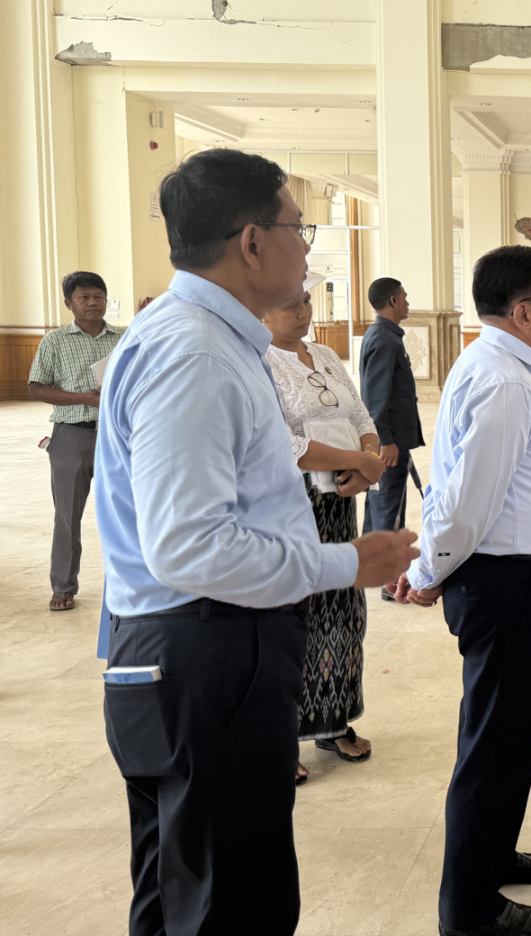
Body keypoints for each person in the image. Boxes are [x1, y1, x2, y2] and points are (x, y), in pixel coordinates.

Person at [93, 148, 418, 936]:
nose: (306, 248)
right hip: (207, 648)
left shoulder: (211, 340)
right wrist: (345, 561)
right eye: (298, 229)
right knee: (230, 899)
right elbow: (188, 547)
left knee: (186, 886)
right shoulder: (196, 354)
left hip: (202, 642)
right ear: (250, 242)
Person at [393, 245, 531, 936]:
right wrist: (428, 570)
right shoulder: (503, 381)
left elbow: (461, 489)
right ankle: (470, 912)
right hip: (510, 584)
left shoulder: (503, 367)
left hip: (514, 576)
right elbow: (468, 501)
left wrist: (437, 566)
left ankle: (494, 853)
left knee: (512, 737)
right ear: (523, 312)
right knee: (495, 746)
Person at [264, 283, 388, 785]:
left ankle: (333, 721)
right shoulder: (261, 362)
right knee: (298, 614)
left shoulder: (326, 355)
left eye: (306, 302)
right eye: (289, 304)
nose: (301, 312)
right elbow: (282, 442)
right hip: (293, 506)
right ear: (262, 311)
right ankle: (279, 737)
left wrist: (365, 462)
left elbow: (359, 414)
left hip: (340, 501)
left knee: (343, 611)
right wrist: (356, 460)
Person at [28, 271, 123, 612]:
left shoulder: (125, 337)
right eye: (84, 298)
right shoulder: (54, 341)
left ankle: (129, 582)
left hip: (117, 435)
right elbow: (36, 387)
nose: (93, 303)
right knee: (68, 515)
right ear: (69, 303)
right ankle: (63, 586)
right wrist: (83, 398)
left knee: (127, 511)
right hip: (71, 435)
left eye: (99, 296)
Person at [359, 276, 423, 538]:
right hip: (390, 444)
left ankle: (372, 556)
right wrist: (385, 440)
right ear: (394, 301)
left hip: (394, 441)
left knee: (382, 504)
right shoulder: (384, 340)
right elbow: (375, 397)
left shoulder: (385, 335)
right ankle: (384, 558)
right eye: (404, 297)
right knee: (388, 509)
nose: (407, 303)